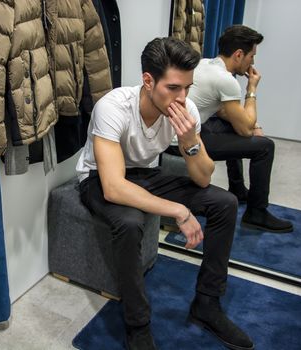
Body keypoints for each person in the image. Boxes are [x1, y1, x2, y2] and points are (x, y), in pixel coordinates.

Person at [76, 37, 254, 350]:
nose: (182, 97)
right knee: (130, 223)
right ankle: (138, 324)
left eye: (187, 87)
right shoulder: (114, 107)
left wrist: (189, 141)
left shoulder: (187, 111)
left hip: (144, 174)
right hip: (99, 178)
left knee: (224, 202)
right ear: (148, 80)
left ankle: (207, 305)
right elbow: (114, 186)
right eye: (173, 88)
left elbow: (202, 178)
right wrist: (177, 210)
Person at [187, 24, 293, 233]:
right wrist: (251, 89)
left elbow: (225, 113)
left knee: (232, 125)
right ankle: (257, 212)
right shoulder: (226, 80)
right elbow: (245, 129)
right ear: (238, 55)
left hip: (189, 129)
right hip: (187, 140)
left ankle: (237, 188)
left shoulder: (205, 64)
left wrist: (255, 126)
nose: (252, 62)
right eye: (251, 56)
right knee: (265, 147)